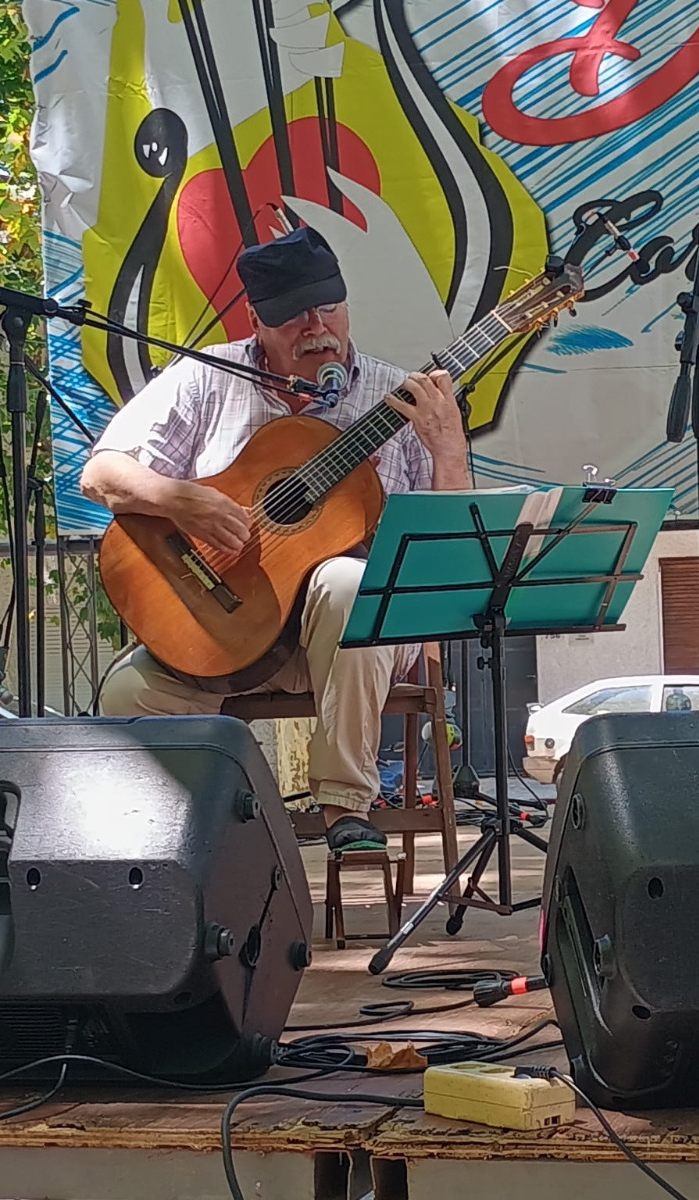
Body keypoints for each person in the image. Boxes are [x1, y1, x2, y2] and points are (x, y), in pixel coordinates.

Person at [83, 227, 471, 853]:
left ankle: (345, 804)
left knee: (346, 581)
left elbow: (452, 551)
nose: (317, 327)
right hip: (232, 636)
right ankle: (193, 846)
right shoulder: (207, 379)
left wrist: (448, 450)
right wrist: (182, 498)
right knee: (127, 693)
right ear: (257, 320)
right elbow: (101, 473)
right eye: (293, 316)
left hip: (358, 646)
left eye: (330, 306)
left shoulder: (400, 398)